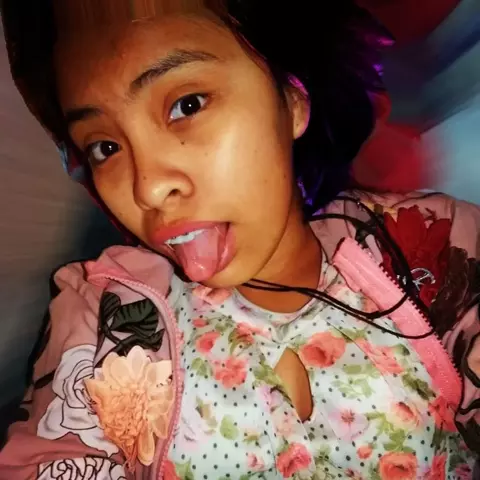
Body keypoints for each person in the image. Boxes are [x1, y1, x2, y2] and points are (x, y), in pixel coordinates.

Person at [0, 1, 479, 478]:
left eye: (187, 106)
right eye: (105, 147)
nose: (148, 188)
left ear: (292, 99)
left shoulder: (437, 245)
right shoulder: (102, 319)